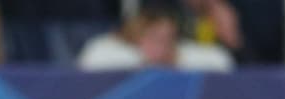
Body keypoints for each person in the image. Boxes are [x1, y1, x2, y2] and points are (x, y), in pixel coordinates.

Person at [77, 5, 232, 71]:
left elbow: (220, 61)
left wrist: (174, 62)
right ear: (136, 38)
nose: (163, 45)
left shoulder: (187, 56)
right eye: (155, 38)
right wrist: (144, 63)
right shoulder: (105, 52)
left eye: (169, 38)